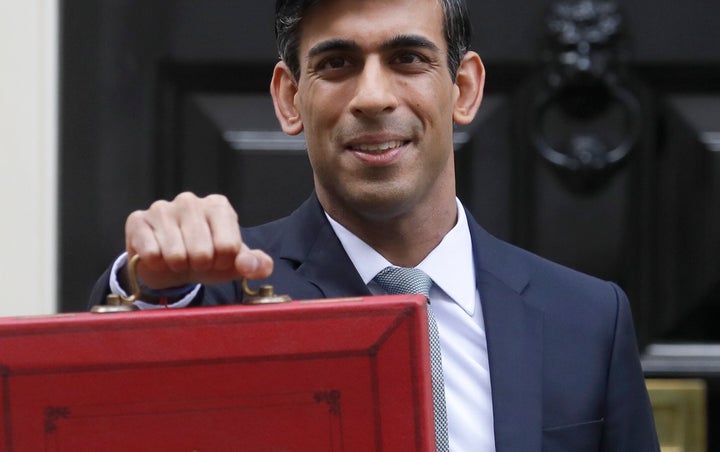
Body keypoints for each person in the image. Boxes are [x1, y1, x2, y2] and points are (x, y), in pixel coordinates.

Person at [89, 0, 660, 449]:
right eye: (337, 64)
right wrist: (151, 289)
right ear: (290, 100)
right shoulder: (214, 298)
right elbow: (98, 416)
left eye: (407, 58)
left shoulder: (588, 321)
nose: (373, 96)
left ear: (463, 89)